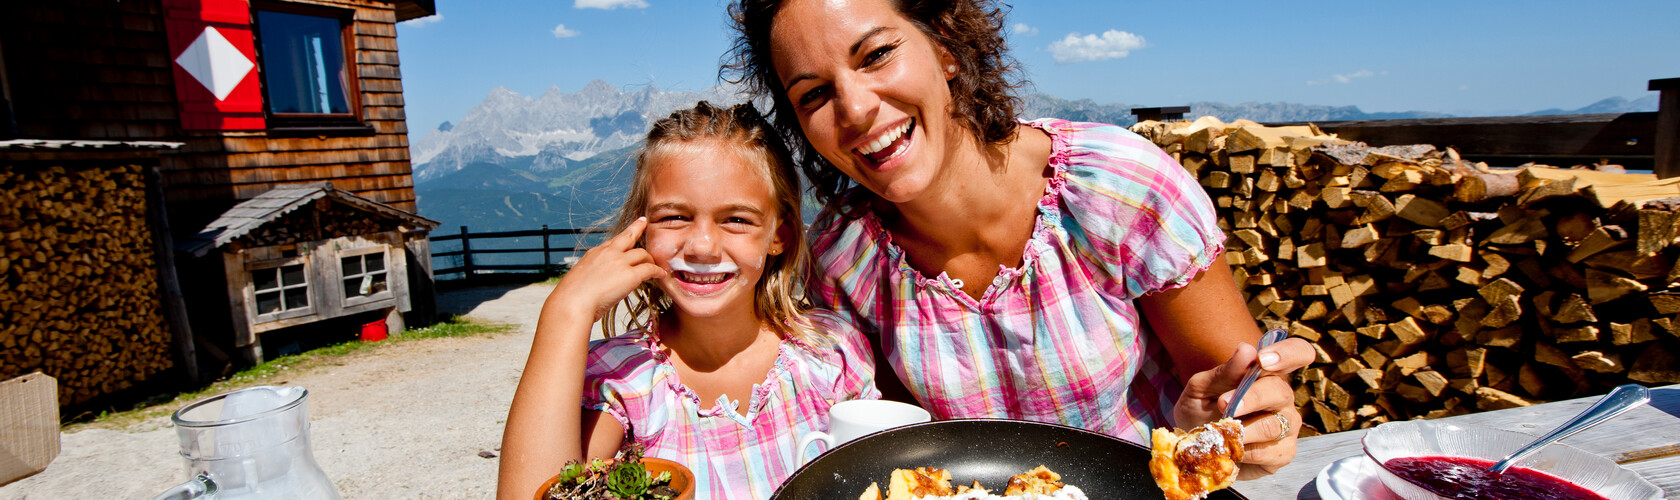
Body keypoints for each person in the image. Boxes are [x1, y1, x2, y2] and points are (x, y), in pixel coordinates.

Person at [725, 0, 1316, 478]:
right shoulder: (840, 260)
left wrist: (1243, 427)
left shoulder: (1118, 189)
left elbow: (1239, 407)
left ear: (946, 45)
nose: (854, 108)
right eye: (814, 94)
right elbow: (884, 447)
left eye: (877, 54)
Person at [497, 101, 879, 500]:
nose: (701, 246)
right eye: (674, 217)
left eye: (736, 219)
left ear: (778, 236)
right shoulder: (622, 382)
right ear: (642, 230)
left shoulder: (829, 351)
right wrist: (566, 313)